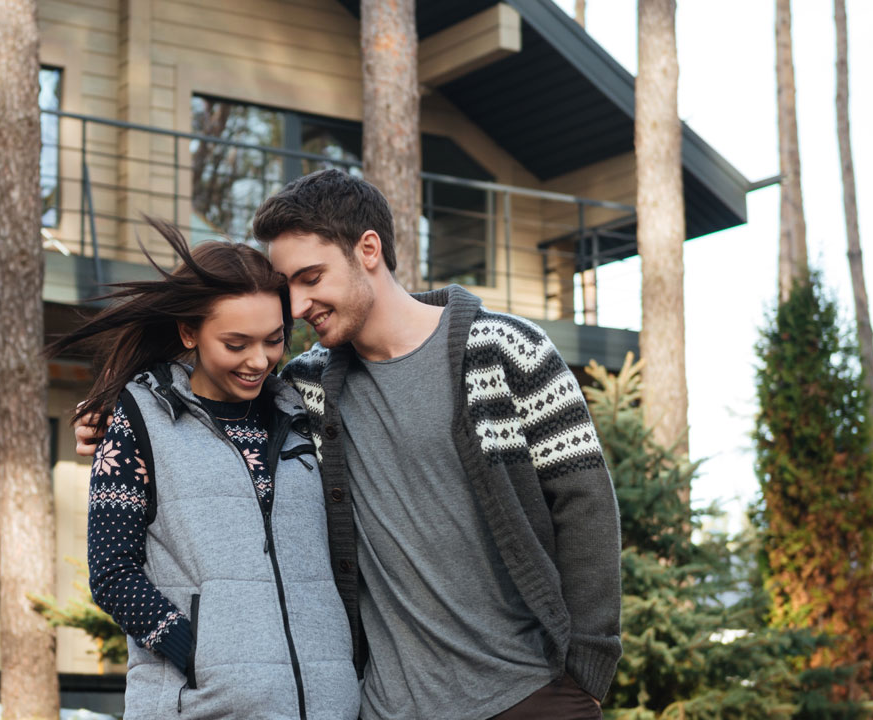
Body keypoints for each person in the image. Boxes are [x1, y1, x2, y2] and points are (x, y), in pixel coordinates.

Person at [78, 172, 621, 720]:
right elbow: (208, 381)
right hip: (385, 708)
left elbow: (585, 507)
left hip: (527, 696)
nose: (296, 304)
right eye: (288, 284)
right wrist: (114, 414)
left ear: (368, 249)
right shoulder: (306, 389)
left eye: (311, 277)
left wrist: (586, 676)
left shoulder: (506, 352)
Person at [52, 218, 359, 720]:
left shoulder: (304, 410)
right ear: (188, 331)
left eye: (274, 340)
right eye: (236, 344)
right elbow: (112, 572)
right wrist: (199, 653)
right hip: (202, 706)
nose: (258, 361)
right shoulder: (139, 419)